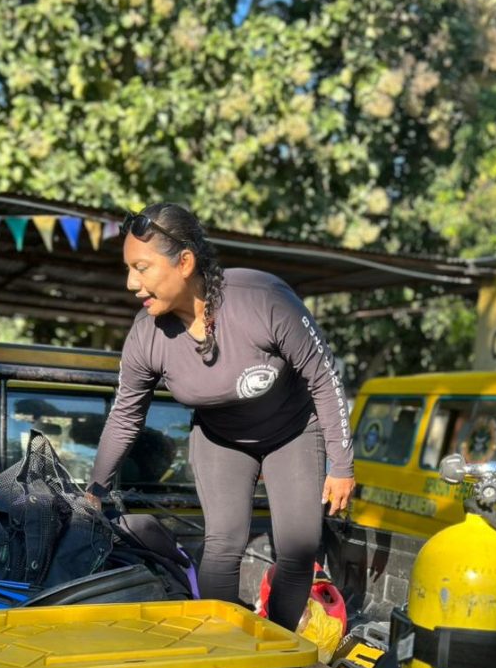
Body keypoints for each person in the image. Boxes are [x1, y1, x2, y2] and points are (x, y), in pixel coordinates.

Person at [86, 203, 354, 632]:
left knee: (298, 549)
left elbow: (325, 379)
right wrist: (95, 489)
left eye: (142, 268)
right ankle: (222, 649)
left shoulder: (262, 302)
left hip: (294, 432)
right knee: (223, 544)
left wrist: (341, 465)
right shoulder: (146, 336)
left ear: (185, 262)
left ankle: (277, 648)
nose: (131, 283)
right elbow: (124, 417)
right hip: (221, 439)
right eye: (129, 269)